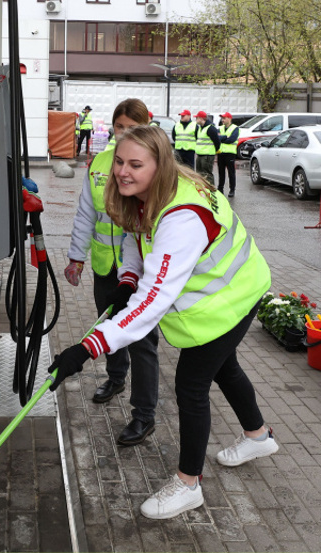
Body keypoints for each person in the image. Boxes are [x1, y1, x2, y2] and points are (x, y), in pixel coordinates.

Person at [49, 125, 278, 519]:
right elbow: (135, 238)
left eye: (136, 164)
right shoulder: (150, 194)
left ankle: (188, 485)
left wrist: (88, 347)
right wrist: (127, 279)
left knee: (191, 386)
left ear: (159, 165)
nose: (123, 171)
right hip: (233, 289)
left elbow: (153, 302)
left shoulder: (182, 218)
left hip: (233, 297)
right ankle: (258, 436)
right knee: (224, 367)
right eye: (120, 161)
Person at [64, 98, 160, 446]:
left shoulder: (155, 166)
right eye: (120, 127)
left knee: (142, 341)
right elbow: (85, 214)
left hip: (143, 271)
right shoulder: (102, 164)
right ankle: (115, 377)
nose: (124, 134)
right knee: (108, 325)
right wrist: (76, 257)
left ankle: (144, 413)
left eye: (132, 128)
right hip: (106, 265)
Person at [193, 110, 220, 185]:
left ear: (201, 118)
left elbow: (217, 142)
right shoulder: (200, 128)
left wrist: (215, 151)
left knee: (207, 174)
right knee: (199, 174)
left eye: (197, 118)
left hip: (207, 155)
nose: (196, 120)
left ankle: (211, 191)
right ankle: (202, 190)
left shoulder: (210, 128)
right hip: (200, 155)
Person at [217, 112, 240, 197]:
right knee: (221, 172)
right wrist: (225, 137)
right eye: (222, 118)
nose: (222, 120)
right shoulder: (220, 128)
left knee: (231, 172)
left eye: (224, 118)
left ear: (229, 119)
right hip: (221, 152)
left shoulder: (235, 128)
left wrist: (222, 139)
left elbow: (232, 139)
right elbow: (217, 138)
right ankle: (220, 188)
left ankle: (232, 189)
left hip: (230, 153)